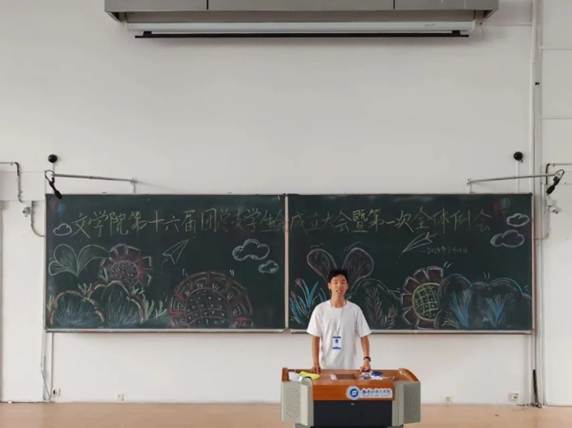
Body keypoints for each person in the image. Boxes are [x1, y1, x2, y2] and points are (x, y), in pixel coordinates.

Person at [307, 269, 372, 373]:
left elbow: (364, 336)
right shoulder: (320, 310)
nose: (339, 285)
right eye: (335, 282)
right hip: (325, 368)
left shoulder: (355, 310)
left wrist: (366, 360)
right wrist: (315, 363)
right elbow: (315, 338)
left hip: (349, 367)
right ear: (329, 285)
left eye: (343, 282)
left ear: (347, 286)